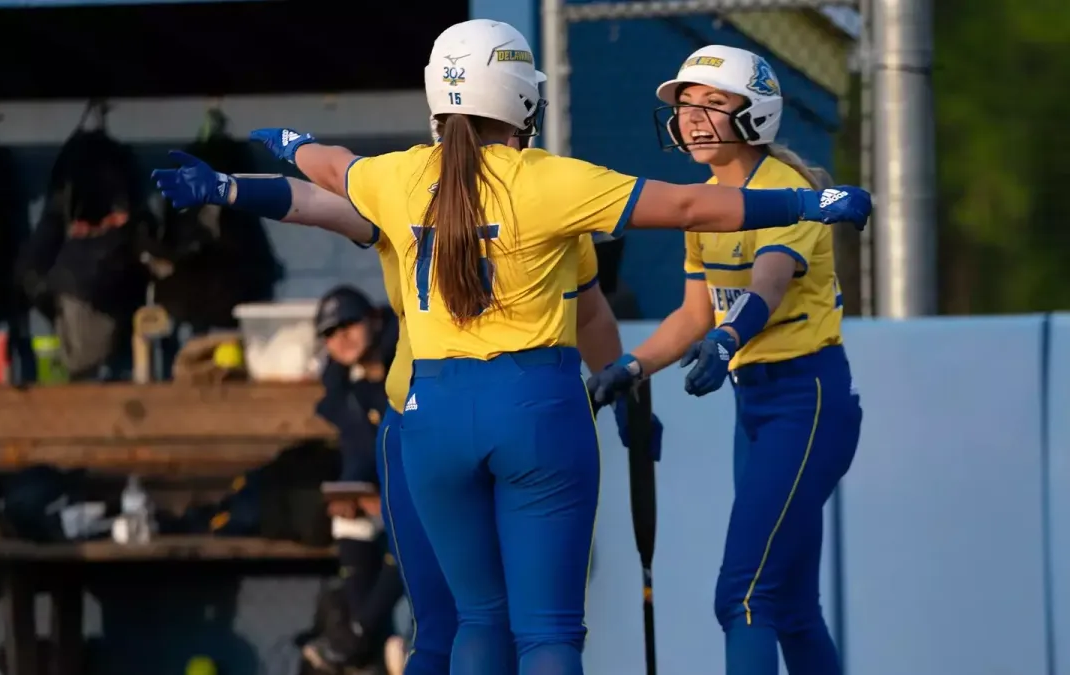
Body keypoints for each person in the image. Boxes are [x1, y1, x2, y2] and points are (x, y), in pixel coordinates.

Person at [158, 19, 870, 675]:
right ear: (523, 100)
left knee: (467, 623)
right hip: (534, 403)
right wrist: (813, 202)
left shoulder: (403, 175)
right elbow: (684, 209)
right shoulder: (551, 181)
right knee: (549, 633)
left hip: (429, 409)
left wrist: (250, 168)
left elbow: (324, 179)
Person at [154, 126, 662, 675]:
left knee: (482, 627)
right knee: (473, 629)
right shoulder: (439, 189)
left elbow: (589, 314)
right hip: (471, 422)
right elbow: (313, 203)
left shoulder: (507, 191)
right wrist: (230, 187)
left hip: (438, 423)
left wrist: (233, 185)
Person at [586, 45, 863, 675]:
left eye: (713, 103)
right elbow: (694, 314)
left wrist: (729, 340)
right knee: (789, 604)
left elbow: (767, 283)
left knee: (743, 596)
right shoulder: (707, 200)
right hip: (757, 405)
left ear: (756, 114)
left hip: (807, 398)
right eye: (685, 105)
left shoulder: (788, 190)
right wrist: (630, 368)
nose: (692, 117)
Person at [309, 284, 405, 672]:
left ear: (374, 320)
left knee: (408, 529)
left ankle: (358, 637)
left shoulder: (409, 364)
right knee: (347, 520)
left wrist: (381, 500)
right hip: (385, 496)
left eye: (349, 323)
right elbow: (359, 454)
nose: (341, 337)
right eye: (330, 332)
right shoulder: (350, 388)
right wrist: (350, 492)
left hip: (430, 495)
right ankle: (368, 640)